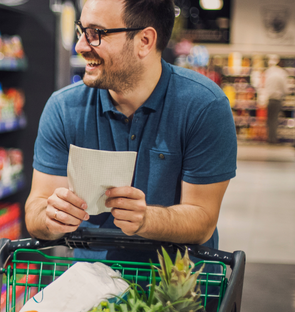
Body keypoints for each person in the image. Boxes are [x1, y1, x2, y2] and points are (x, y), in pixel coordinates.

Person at [25, 0, 237, 258]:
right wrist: (51, 217)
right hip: (90, 287)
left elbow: (203, 219)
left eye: (96, 34)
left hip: (179, 289)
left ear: (144, 41)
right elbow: (35, 210)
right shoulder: (63, 108)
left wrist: (147, 219)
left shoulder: (204, 106)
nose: (80, 46)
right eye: (82, 31)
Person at [263, 55, 288, 144]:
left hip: (270, 99)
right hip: (277, 99)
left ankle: (270, 137)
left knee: (270, 120)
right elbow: (285, 88)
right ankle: (273, 139)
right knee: (275, 119)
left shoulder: (268, 72)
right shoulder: (282, 73)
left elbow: (265, 87)